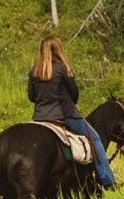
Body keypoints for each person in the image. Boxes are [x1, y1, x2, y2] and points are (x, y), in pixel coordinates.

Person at [28, 36, 118, 189]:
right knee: (95, 139)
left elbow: (32, 96)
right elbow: (74, 94)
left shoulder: (34, 70)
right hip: (65, 116)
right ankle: (107, 179)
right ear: (59, 49)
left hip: (40, 118)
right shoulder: (63, 68)